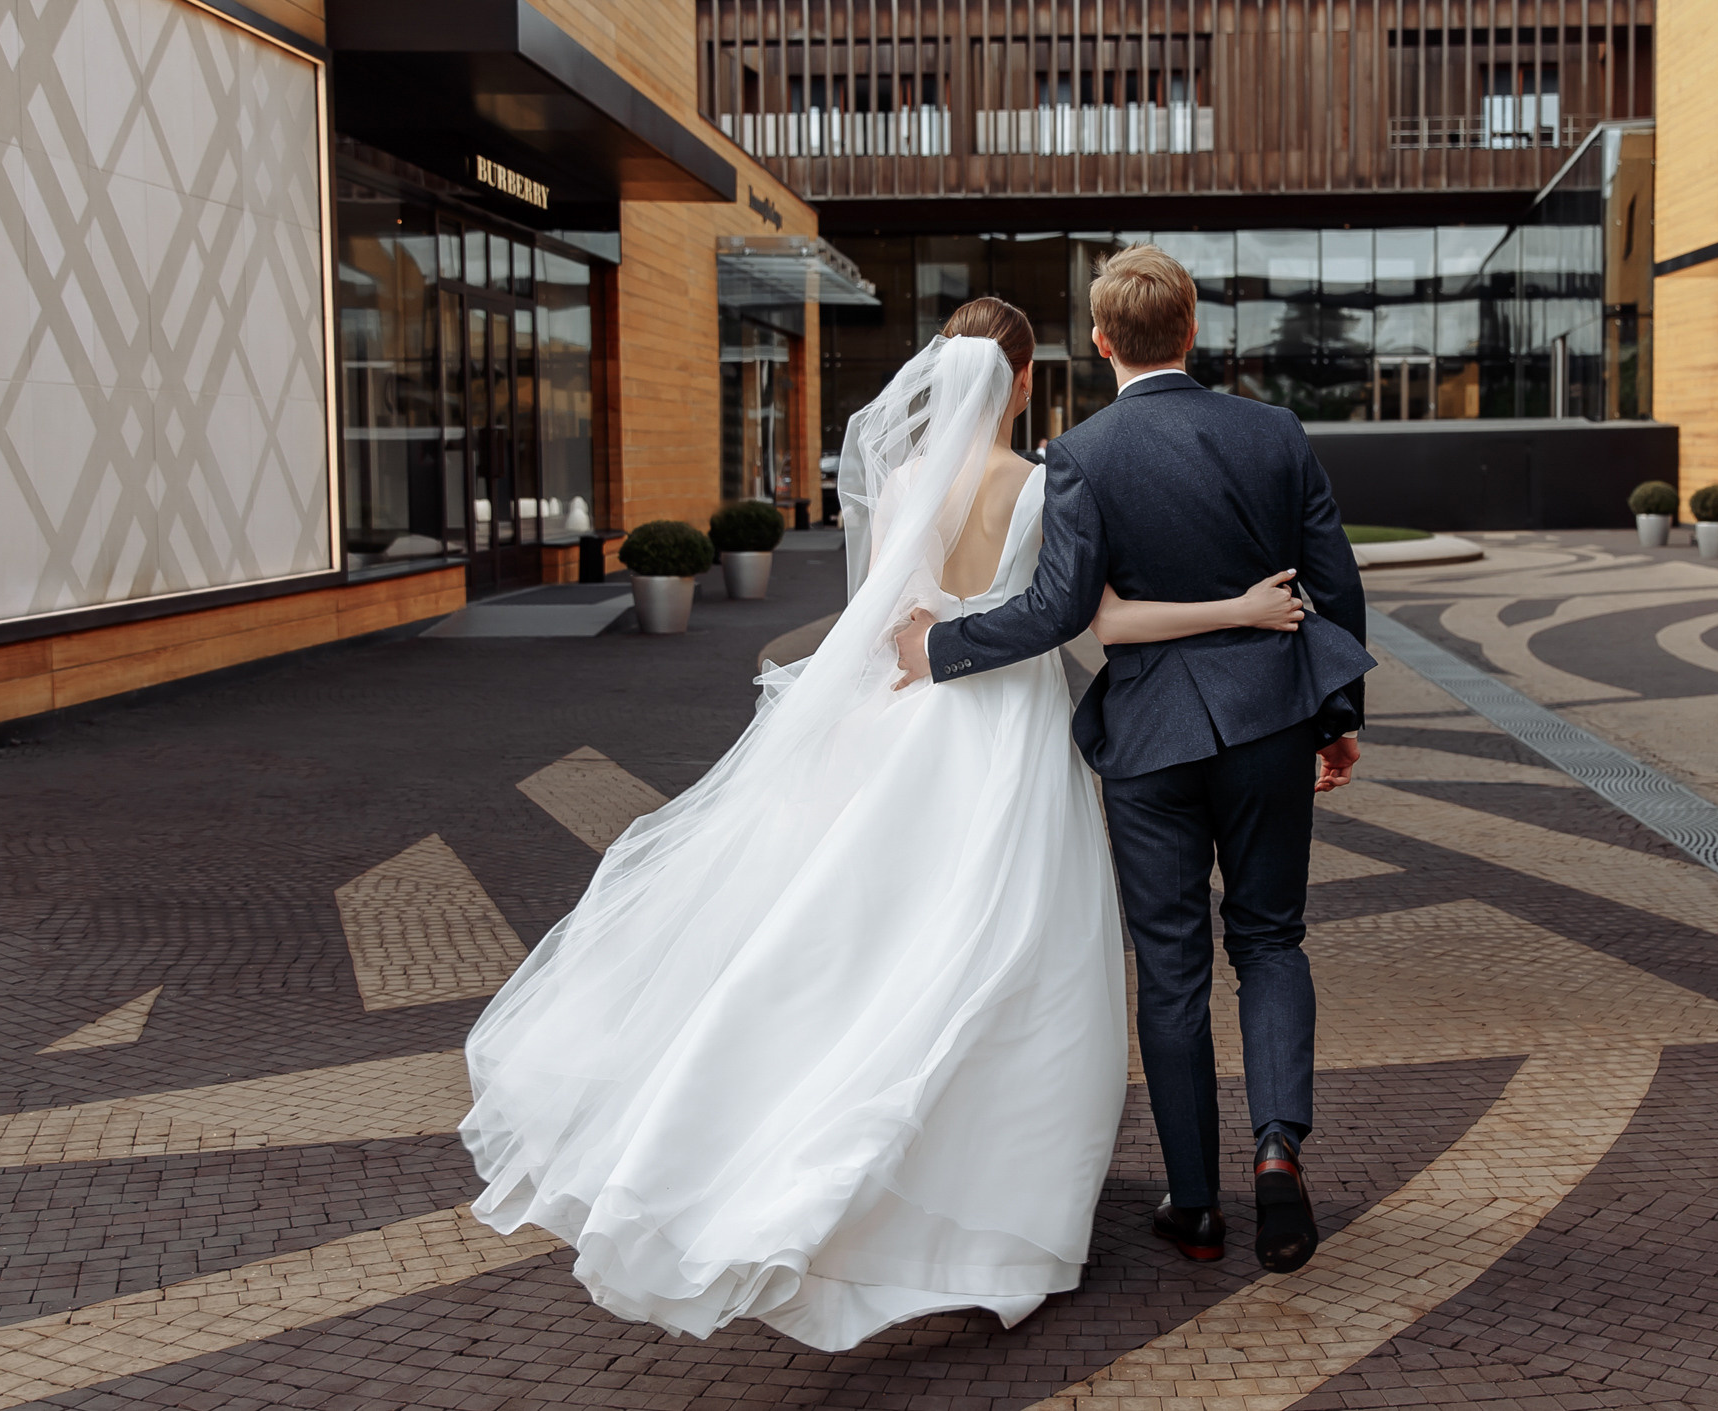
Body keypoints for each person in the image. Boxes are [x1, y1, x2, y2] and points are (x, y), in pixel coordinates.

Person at [459, 297, 1307, 1351]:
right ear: (1028, 379)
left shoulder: (902, 483)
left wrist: (914, 660)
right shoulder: (1046, 480)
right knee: (1016, 950)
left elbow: (886, 619)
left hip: (903, 722)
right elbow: (1066, 615)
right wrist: (1232, 614)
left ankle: (825, 1146)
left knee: (876, 939)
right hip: (1006, 727)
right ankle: (1001, 1200)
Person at [895, 244, 1374, 1276]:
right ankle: (1279, 1146)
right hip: (1270, 726)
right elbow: (1334, 585)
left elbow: (1063, 611)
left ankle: (1196, 1203)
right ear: (1191, 330)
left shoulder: (1082, 454)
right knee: (1271, 941)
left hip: (1151, 746)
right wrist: (1336, 711)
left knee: (1170, 968)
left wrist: (939, 646)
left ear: (1103, 341)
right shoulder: (1275, 432)